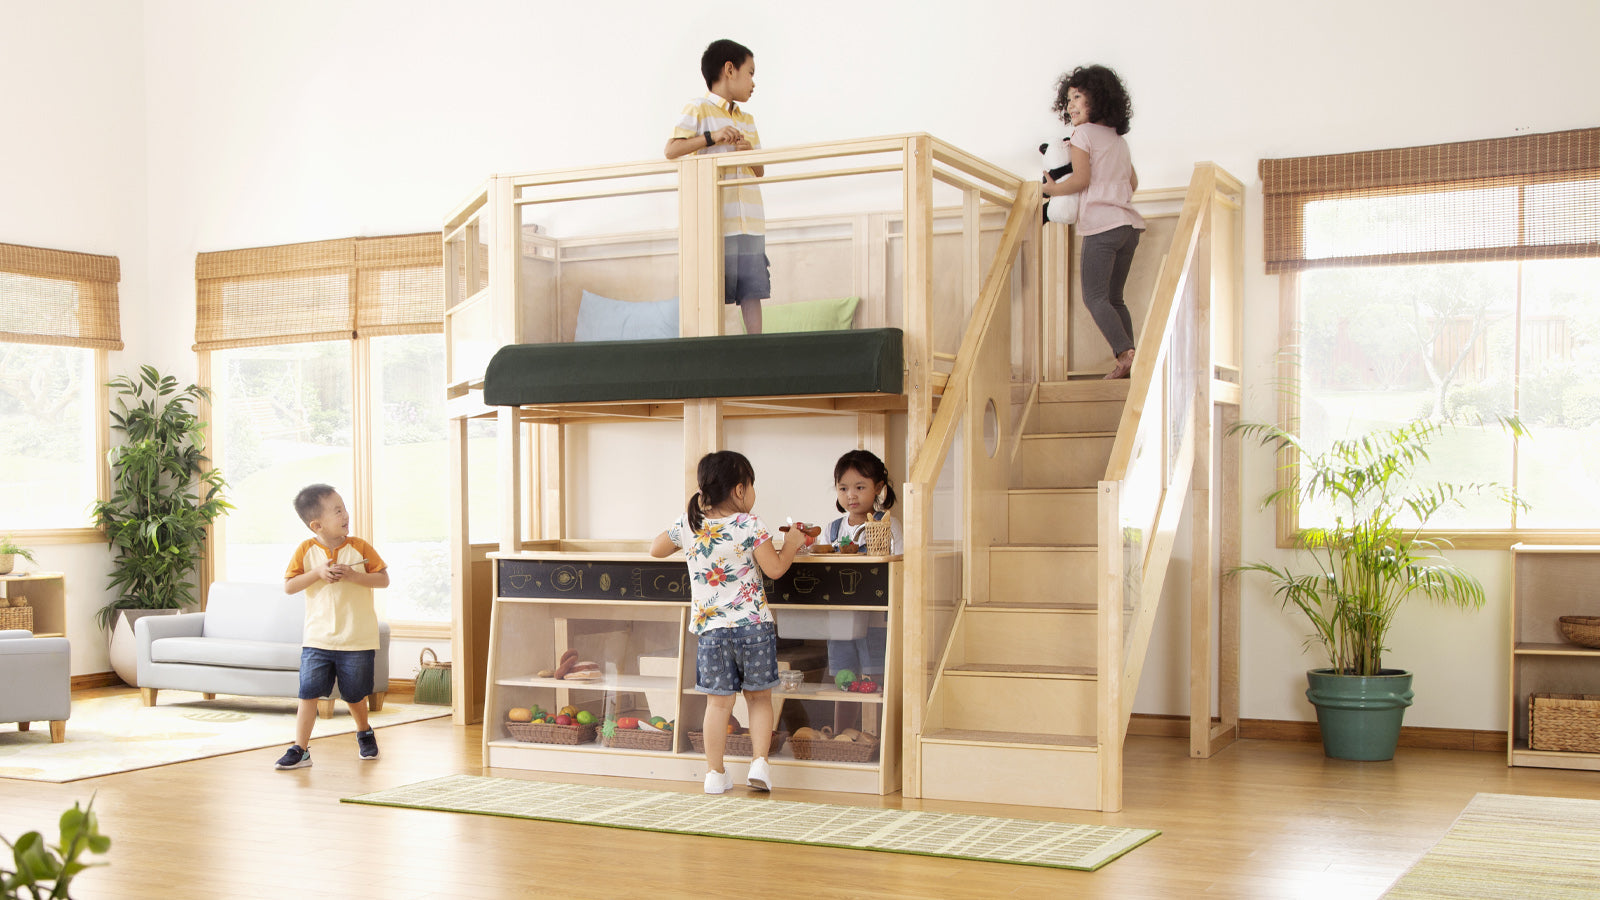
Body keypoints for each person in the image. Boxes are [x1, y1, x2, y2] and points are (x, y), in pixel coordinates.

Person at [651, 450, 806, 794]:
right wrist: (793, 543)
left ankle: (714, 774)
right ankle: (760, 764)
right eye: (752, 486)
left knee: (718, 704)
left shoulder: (689, 524)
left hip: (711, 631)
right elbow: (776, 569)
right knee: (759, 699)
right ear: (739, 490)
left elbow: (655, 549)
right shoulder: (750, 525)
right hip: (753, 626)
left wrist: (688, 524)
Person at [274, 484, 390, 770]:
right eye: (337, 510)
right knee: (308, 692)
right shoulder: (306, 550)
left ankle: (364, 731)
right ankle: (300, 748)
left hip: (357, 638)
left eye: (344, 508)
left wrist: (352, 575)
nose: (345, 514)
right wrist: (316, 573)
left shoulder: (360, 547)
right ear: (317, 524)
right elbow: (289, 586)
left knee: (354, 693)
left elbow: (383, 579)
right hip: (317, 638)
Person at [1044, 64, 1146, 380]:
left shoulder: (1083, 134)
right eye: (1069, 99)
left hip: (1102, 227)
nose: (1071, 105)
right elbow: (1133, 182)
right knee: (1115, 298)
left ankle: (1125, 353)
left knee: (1095, 297)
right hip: (1128, 227)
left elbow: (1082, 179)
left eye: (1078, 98)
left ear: (1098, 100)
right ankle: (1129, 362)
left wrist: (1052, 189)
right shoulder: (1118, 140)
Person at [665, 39, 769, 335]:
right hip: (714, 222)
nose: (753, 82)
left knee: (752, 290)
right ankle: (713, 357)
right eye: (750, 73)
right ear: (729, 70)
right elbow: (671, 150)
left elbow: (760, 171)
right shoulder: (698, 109)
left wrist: (747, 152)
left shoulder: (747, 119)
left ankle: (756, 352)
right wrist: (713, 137)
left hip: (749, 221)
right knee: (710, 290)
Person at [819, 449, 901, 684]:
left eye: (860, 487)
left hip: (875, 618)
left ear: (878, 487)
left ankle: (876, 723)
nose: (851, 495)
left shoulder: (887, 525)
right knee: (842, 678)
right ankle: (843, 724)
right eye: (843, 488)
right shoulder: (833, 529)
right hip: (840, 619)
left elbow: (900, 565)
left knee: (875, 678)